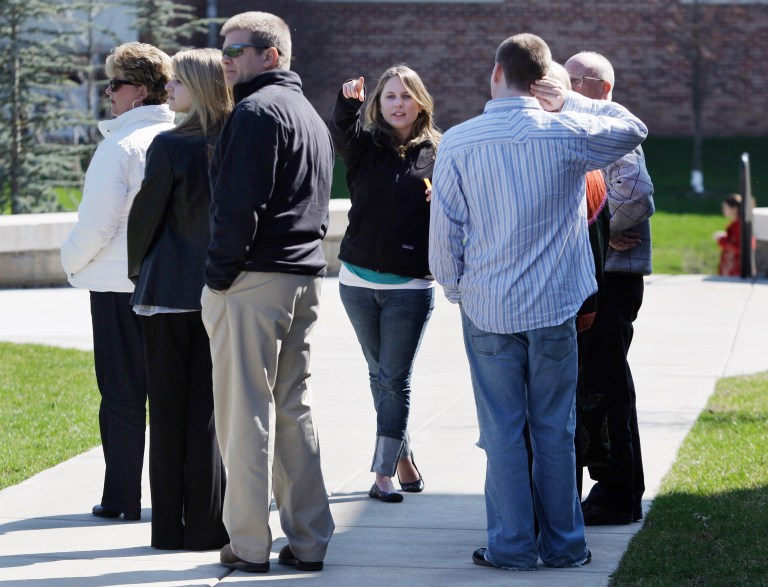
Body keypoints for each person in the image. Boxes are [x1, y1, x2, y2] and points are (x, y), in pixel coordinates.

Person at [429, 33, 648, 570]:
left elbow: (445, 237)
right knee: (556, 427)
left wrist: (457, 290)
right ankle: (566, 544)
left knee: (502, 431)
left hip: (487, 307)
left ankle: (511, 545)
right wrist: (570, 100)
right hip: (556, 308)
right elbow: (632, 129)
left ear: (495, 72)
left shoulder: (459, 141)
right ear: (543, 79)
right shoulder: (569, 130)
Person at [200, 11, 335, 573]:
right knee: (290, 409)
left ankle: (249, 545)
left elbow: (237, 210)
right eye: (223, 47)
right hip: (302, 278)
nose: (225, 57)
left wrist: (217, 277)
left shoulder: (255, 111)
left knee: (244, 415)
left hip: (254, 280)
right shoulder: (307, 113)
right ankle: (308, 541)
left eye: (236, 48)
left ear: (271, 55)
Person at [60, 42, 174, 522]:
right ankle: (173, 499)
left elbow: (96, 225)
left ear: (140, 91)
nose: (108, 92)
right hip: (170, 288)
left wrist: (69, 263)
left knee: (123, 396)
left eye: (116, 84)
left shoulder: (121, 146)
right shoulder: (183, 135)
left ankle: (121, 499)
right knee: (171, 396)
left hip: (116, 288)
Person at [126, 48, 232, 550]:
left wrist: (136, 270)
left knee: (167, 416)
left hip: (166, 295)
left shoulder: (169, 145)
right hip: (217, 292)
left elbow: (144, 219)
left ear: (200, 87)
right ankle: (208, 528)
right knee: (206, 417)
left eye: (178, 83)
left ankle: (168, 530)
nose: (169, 89)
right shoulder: (236, 140)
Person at [329, 66, 441, 504]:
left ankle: (381, 472)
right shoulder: (365, 147)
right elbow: (342, 133)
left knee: (394, 379)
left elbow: (464, 206)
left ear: (420, 103)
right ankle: (404, 457)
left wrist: (445, 196)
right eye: (390, 96)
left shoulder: (441, 151)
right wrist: (347, 106)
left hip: (410, 287)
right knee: (380, 376)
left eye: (406, 96)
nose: (398, 103)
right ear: (378, 103)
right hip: (356, 281)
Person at [564, 51, 655, 526]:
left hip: (611, 281)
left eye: (575, 78)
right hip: (598, 276)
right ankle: (611, 490)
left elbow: (637, 195)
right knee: (598, 384)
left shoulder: (610, 135)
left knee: (605, 387)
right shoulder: (585, 133)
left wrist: (600, 227)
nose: (565, 86)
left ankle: (617, 495)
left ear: (602, 88)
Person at [714, 193, 743, 276]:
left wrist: (721, 240)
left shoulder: (739, 226)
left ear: (734, 209)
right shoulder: (735, 224)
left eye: (725, 207)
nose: (723, 210)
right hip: (733, 268)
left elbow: (740, 248)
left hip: (736, 270)